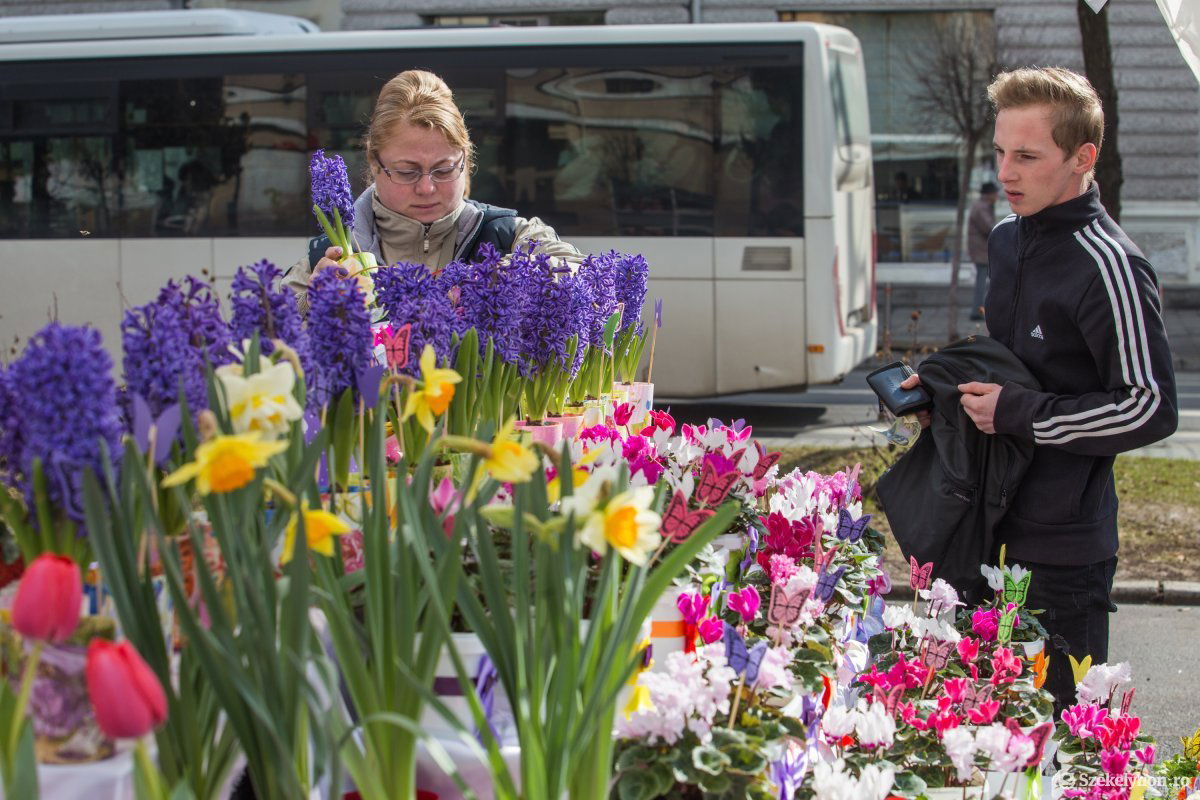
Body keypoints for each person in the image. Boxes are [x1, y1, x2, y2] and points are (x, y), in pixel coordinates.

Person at [901, 67, 1178, 711]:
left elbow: (1151, 404)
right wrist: (945, 385)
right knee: (978, 731)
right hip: (981, 527)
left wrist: (1019, 413)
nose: (1005, 172)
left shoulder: (1110, 264)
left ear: (1083, 158)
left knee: (1061, 739)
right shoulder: (1005, 239)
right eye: (1001, 151)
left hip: (1063, 550)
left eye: (1027, 156)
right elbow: (1012, 361)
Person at [284, 70, 579, 312]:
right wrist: (310, 305)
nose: (427, 188)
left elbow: (584, 275)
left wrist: (499, 277)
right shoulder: (326, 259)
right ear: (375, 163)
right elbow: (262, 338)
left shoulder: (510, 236)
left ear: (465, 161)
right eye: (407, 171)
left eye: (444, 169)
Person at [967, 181, 998, 320]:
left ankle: (982, 309)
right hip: (982, 251)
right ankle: (977, 311)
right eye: (995, 193)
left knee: (987, 281)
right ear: (989, 194)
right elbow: (988, 227)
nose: (997, 196)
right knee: (982, 282)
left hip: (982, 250)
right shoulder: (981, 207)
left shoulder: (983, 206)